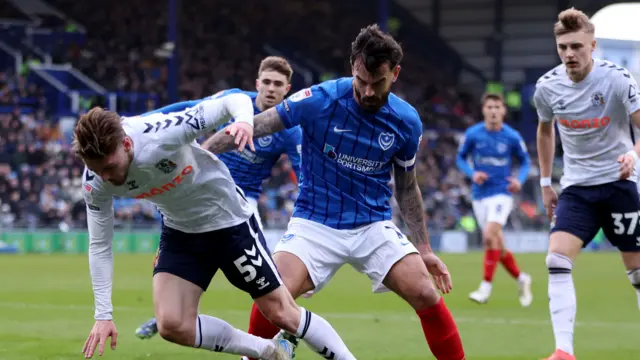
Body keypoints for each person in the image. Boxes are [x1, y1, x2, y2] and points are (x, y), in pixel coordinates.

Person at [206, 24, 466, 360]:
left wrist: (424, 248)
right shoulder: (320, 99)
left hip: (373, 225)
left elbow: (407, 185)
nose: (368, 92)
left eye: (379, 83)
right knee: (274, 293)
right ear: (352, 67)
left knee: (425, 292)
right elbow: (257, 125)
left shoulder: (406, 121)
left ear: (396, 74)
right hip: (314, 222)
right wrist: (204, 155)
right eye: (362, 81)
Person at [75, 95, 356, 359]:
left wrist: (244, 121)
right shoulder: (94, 182)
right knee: (172, 324)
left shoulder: (159, 134)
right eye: (97, 169)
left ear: (126, 144)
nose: (106, 177)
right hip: (181, 233)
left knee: (282, 313)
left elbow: (232, 102)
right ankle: (270, 352)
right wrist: (103, 315)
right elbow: (100, 245)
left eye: (109, 167)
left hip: (229, 223)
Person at [134, 56, 304, 340]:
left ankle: (285, 329)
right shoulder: (234, 101)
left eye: (278, 84)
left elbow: (304, 175)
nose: (271, 89)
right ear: (257, 83)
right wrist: (142, 121)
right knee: (176, 257)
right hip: (200, 192)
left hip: (242, 203)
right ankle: (165, 314)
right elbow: (188, 109)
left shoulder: (288, 128)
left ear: (287, 89)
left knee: (269, 272)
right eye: (267, 82)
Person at [533, 8, 640, 360]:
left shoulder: (617, 79)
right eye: (563, 47)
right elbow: (545, 130)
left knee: (637, 273)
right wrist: (547, 182)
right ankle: (564, 350)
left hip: (619, 184)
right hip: (577, 189)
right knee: (556, 260)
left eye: (577, 46)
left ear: (593, 46)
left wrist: (633, 155)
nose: (569, 54)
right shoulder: (547, 87)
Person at [456, 93, 533, 306]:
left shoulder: (512, 136)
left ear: (503, 111)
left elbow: (525, 161)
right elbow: (460, 158)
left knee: (489, 235)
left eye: (497, 107)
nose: (493, 111)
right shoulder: (473, 134)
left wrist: (520, 179)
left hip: (502, 193)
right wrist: (472, 174)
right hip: (479, 194)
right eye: (489, 107)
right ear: (483, 110)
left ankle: (485, 288)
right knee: (497, 245)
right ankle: (522, 278)